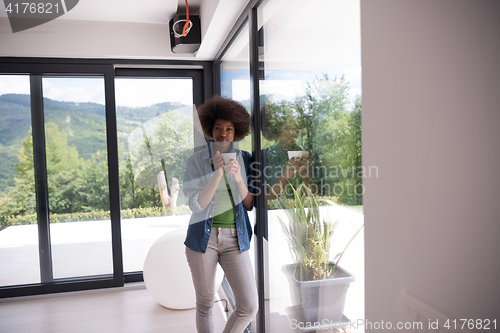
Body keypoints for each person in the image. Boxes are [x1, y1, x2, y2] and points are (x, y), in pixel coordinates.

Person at [183, 96, 258, 333]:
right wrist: (216, 174)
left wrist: (237, 176)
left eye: (229, 128)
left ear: (236, 131)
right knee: (205, 303)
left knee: (249, 306)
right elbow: (197, 205)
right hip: (202, 240)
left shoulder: (246, 159)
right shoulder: (195, 161)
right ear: (210, 129)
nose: (223, 133)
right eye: (218, 128)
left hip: (236, 239)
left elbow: (248, 204)